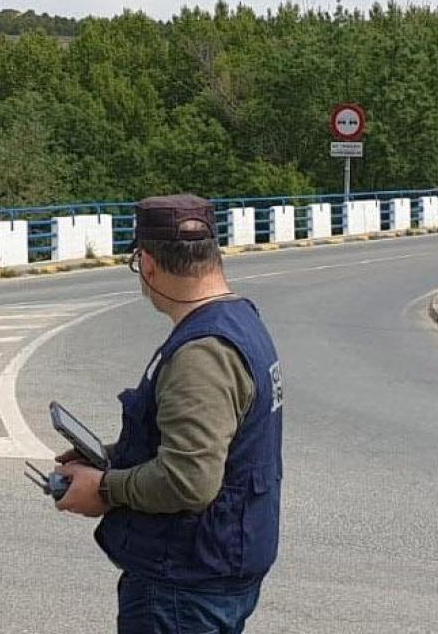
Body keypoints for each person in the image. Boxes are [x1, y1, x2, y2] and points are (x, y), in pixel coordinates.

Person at [51, 194, 285, 634]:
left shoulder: (201, 353)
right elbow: (212, 441)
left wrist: (104, 487)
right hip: (218, 561)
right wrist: (111, 454)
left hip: (183, 581)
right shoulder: (240, 320)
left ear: (149, 264)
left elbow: (189, 480)